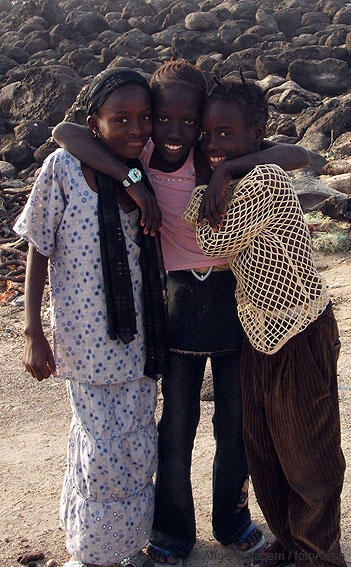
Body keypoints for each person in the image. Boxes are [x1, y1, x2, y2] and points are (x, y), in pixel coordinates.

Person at [52, 60, 309, 566]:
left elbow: (296, 153)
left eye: (189, 122)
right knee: (176, 425)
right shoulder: (144, 152)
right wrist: (132, 178)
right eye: (164, 119)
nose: (176, 133)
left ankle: (232, 521)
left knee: (235, 424)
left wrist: (231, 170)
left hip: (235, 301)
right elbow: (66, 132)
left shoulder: (214, 155)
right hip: (174, 302)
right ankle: (173, 532)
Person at [183, 76, 346, 567]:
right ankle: (292, 541)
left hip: (298, 328)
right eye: (207, 134)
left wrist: (219, 176)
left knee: (308, 451)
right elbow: (208, 222)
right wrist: (223, 170)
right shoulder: (240, 174)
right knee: (267, 446)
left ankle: (319, 555)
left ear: (258, 134)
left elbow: (214, 244)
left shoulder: (265, 180)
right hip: (259, 327)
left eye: (226, 134)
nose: (212, 144)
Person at [14, 68, 168, 567]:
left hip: (141, 337)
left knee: (138, 443)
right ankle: (92, 552)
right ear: (94, 122)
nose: (135, 129)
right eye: (119, 118)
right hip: (85, 341)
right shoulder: (62, 168)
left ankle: (128, 546)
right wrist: (32, 329)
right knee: (101, 450)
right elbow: (38, 245)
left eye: (144, 118)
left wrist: (133, 175)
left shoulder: (145, 165)